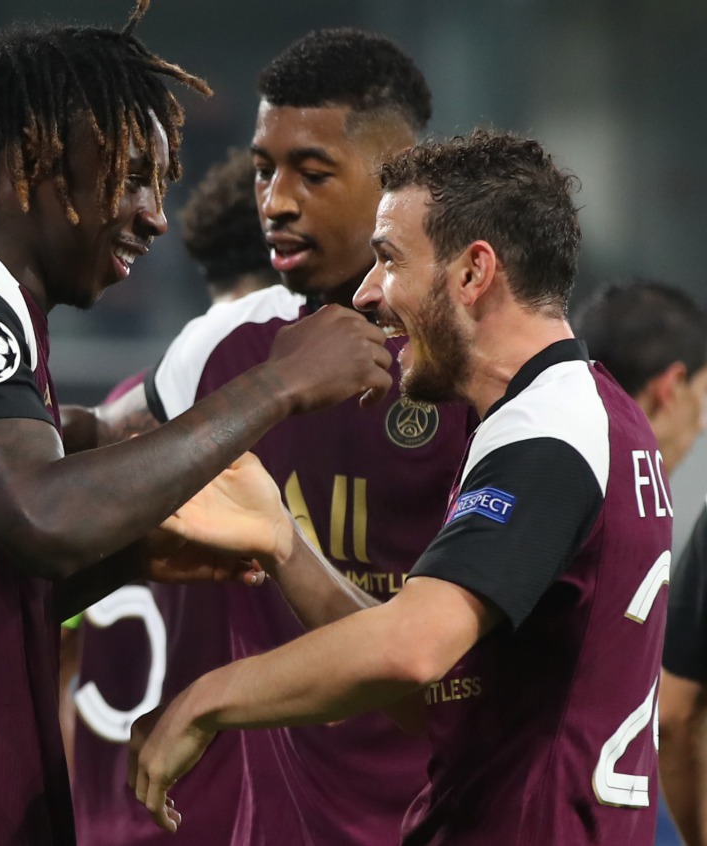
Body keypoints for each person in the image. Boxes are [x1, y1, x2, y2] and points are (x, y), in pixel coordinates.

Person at [0, 6, 394, 845]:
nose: (154, 215)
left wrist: (136, 557)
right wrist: (277, 382)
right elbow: (46, 517)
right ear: (39, 162)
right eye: (134, 176)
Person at [130, 129, 673, 845]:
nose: (368, 293)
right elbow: (437, 691)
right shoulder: (582, 415)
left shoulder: (547, 431)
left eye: (389, 258)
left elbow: (411, 647)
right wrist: (285, 543)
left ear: (473, 273)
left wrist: (204, 701)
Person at [71, 29, 474, 846]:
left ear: (399, 178)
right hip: (259, 822)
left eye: (312, 172)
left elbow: (450, 681)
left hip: (439, 816)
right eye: (263, 169)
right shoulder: (225, 346)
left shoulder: (479, 373)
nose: (276, 200)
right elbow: (85, 462)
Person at [57, 145, 277, 774]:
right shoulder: (288, 409)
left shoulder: (123, 410)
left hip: (105, 807)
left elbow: (59, 650)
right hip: (219, 800)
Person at [572, 282, 707, 843]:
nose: (702, 423)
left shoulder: (524, 462)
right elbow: (672, 717)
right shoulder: (609, 503)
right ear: (672, 387)